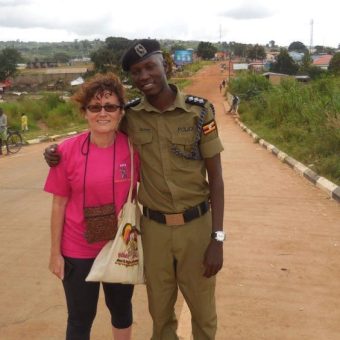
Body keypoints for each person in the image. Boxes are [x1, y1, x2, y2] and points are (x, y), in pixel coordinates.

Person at [45, 39, 225, 340]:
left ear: (164, 66)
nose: (144, 76)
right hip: (153, 229)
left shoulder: (199, 112)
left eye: (150, 67)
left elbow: (216, 178)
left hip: (197, 225)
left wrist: (218, 237)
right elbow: (101, 122)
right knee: (160, 309)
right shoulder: (132, 115)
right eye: (136, 72)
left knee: (203, 311)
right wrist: (57, 148)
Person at [44, 73, 139, 340]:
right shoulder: (66, 151)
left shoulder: (133, 150)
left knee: (121, 310)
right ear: (84, 112)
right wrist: (55, 253)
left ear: (121, 111)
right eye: (95, 107)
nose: (103, 113)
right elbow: (59, 203)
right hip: (77, 249)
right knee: (79, 317)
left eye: (110, 106)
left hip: (119, 247)